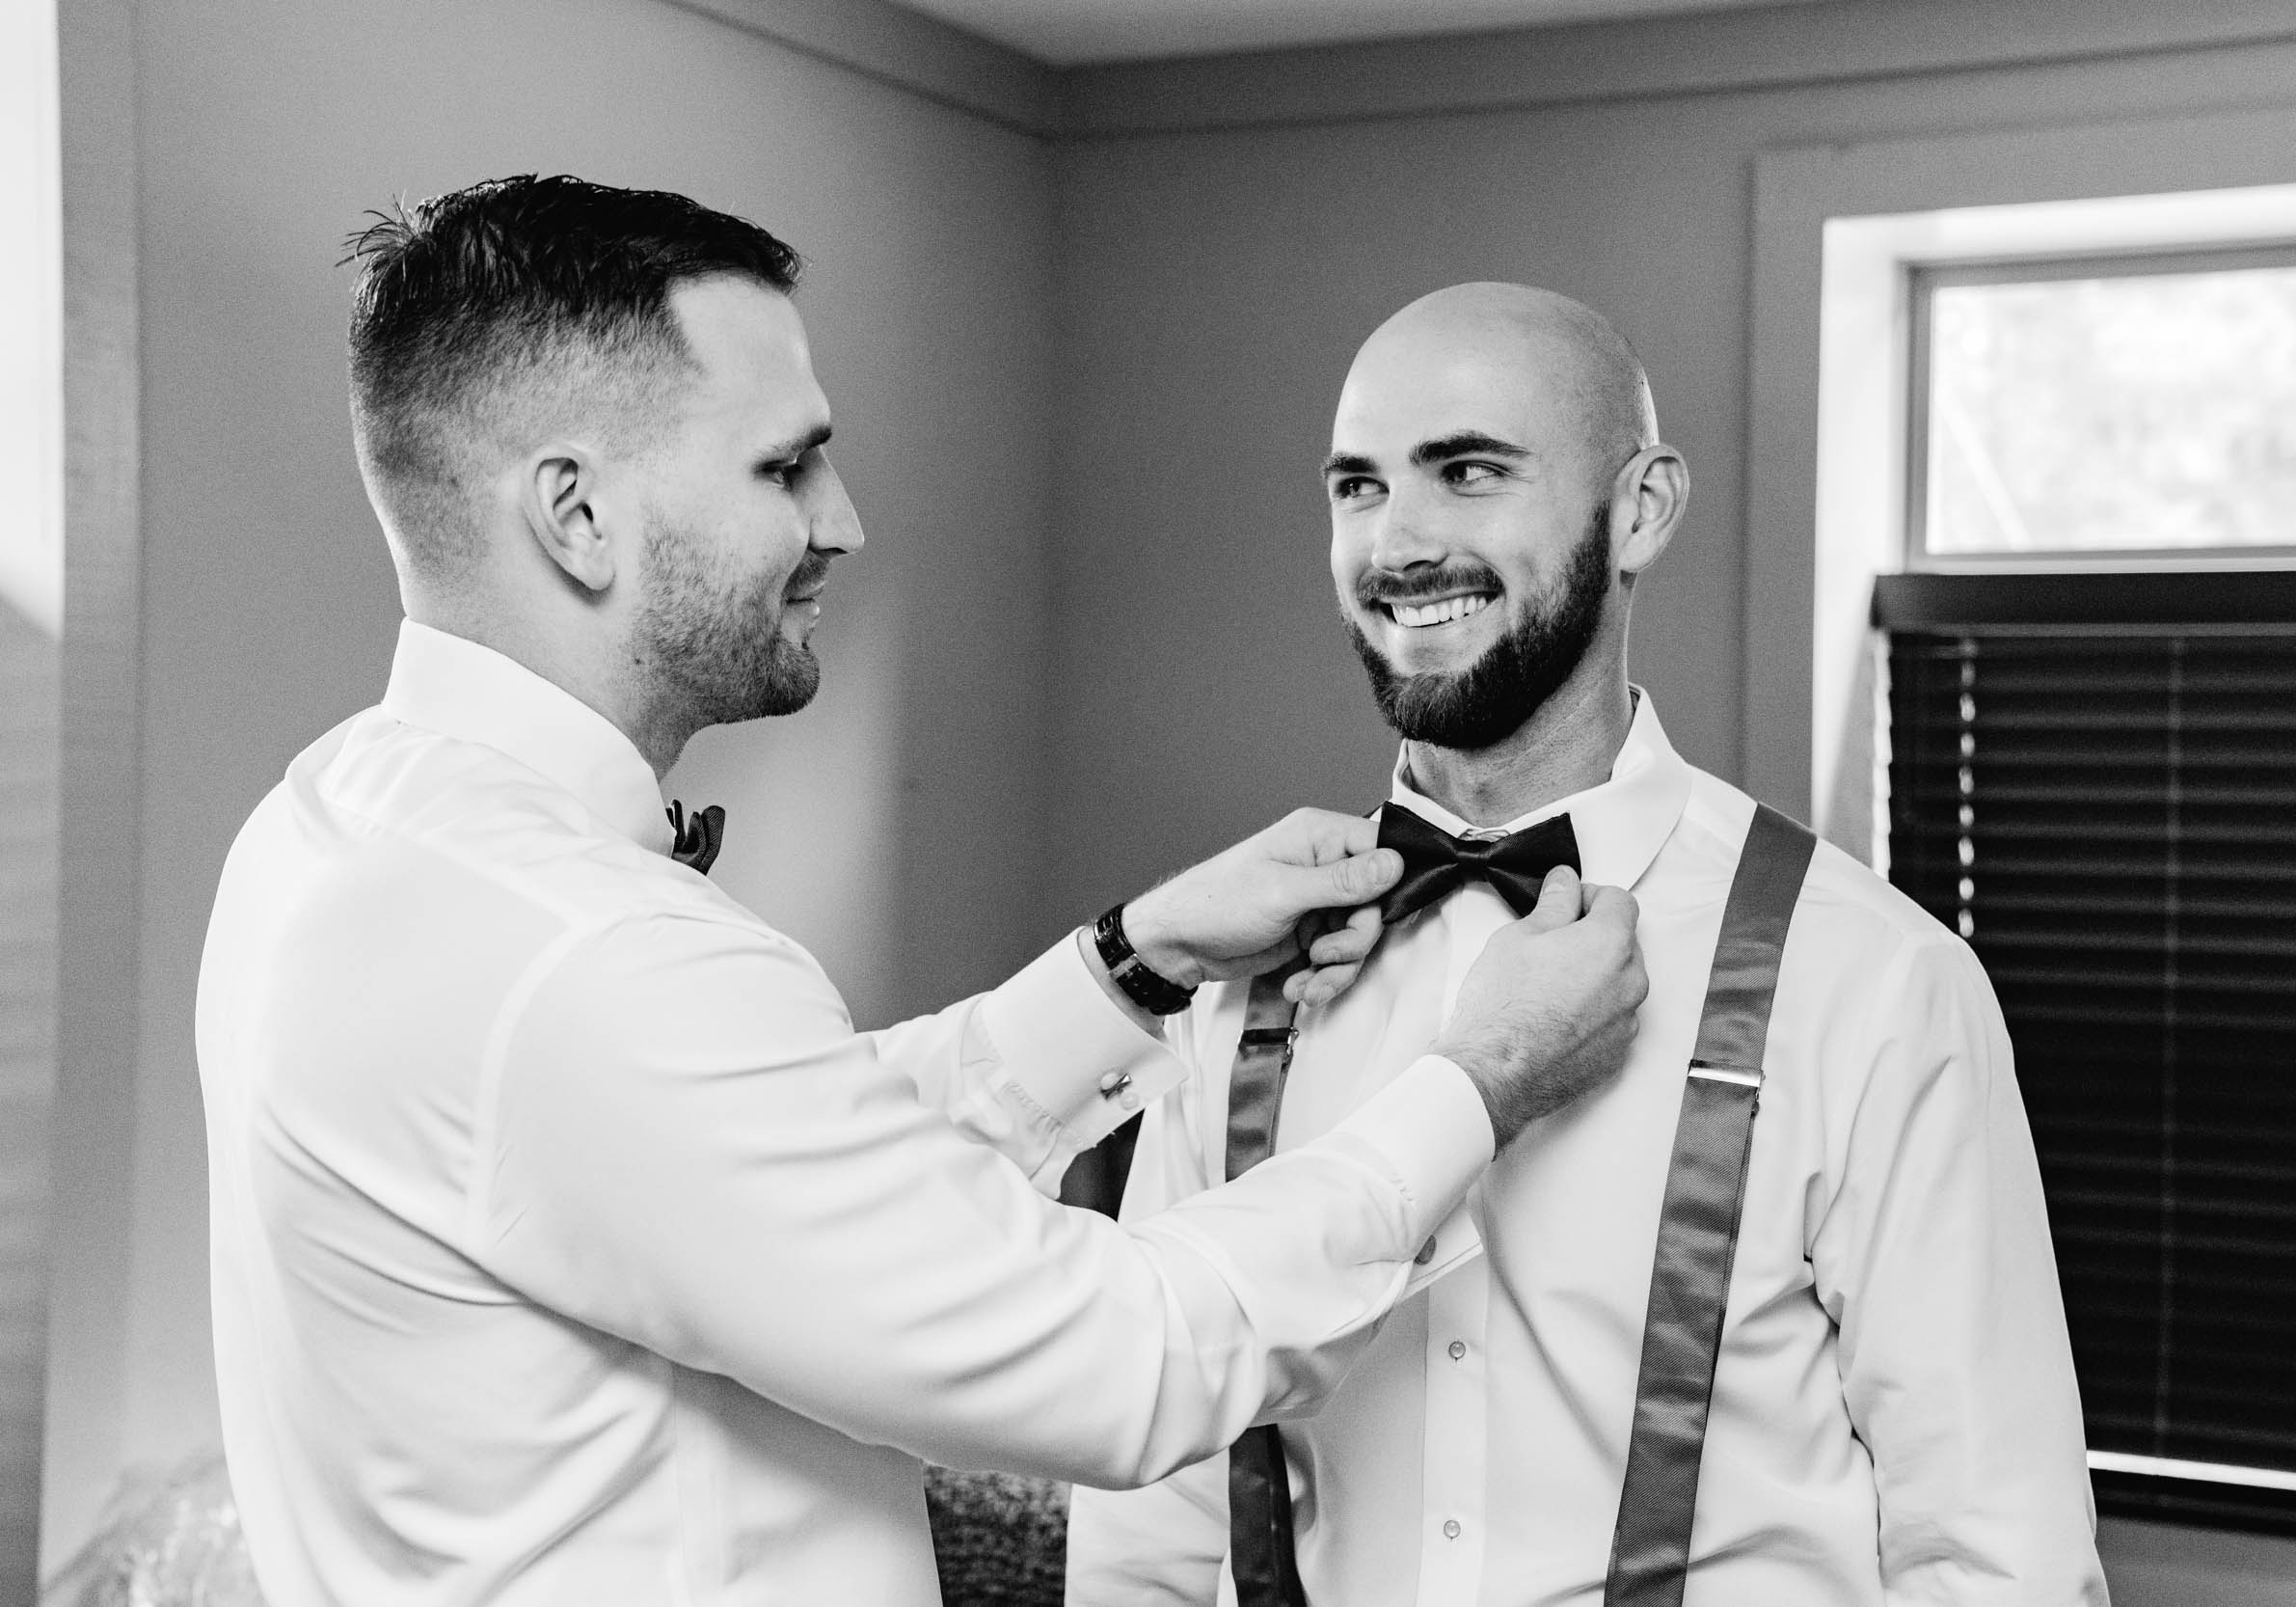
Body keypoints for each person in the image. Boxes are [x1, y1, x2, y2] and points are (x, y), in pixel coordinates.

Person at [194, 183, 1652, 1606]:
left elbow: (751, 1153)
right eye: (784, 468)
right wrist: (1480, 1079)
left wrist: (1126, 966)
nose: (843, 525)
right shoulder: (584, 953)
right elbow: (1119, 1360)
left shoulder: (330, 826)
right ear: (576, 513)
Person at [1066, 284, 2109, 1605]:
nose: (1397, 539)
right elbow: (1146, 1514)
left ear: (1639, 510)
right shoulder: (1243, 973)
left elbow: (1995, 1550)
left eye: (1468, 472)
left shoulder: (1871, 979)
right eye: (1357, 486)